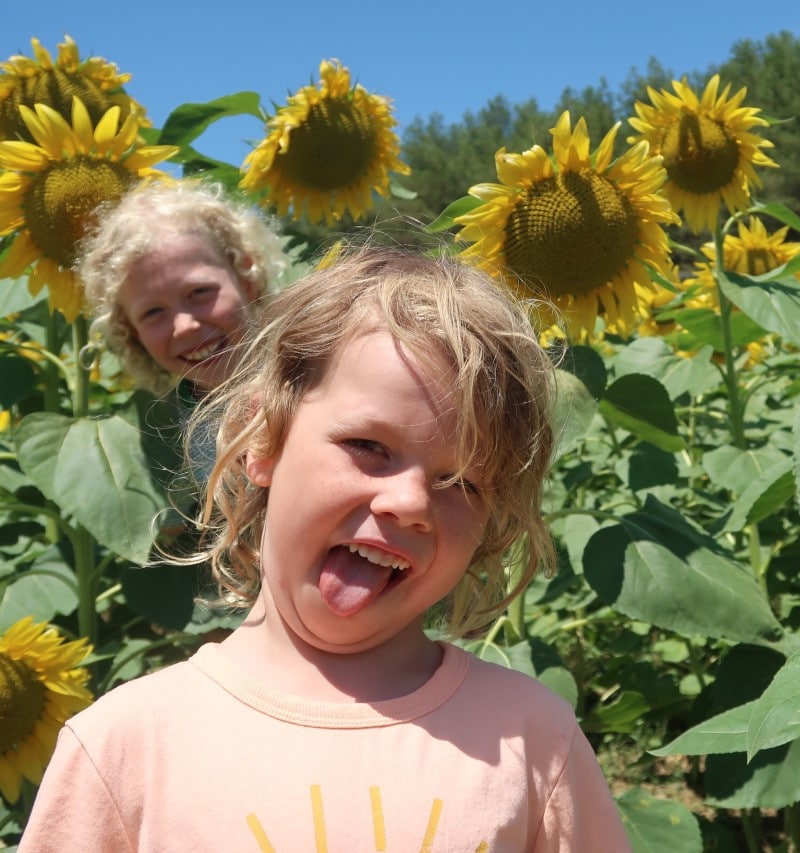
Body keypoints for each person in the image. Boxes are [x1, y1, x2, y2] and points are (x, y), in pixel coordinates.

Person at [21, 248, 631, 851]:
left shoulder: (532, 738)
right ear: (261, 437)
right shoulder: (126, 744)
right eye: (368, 446)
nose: (411, 502)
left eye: (463, 483)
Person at [78, 178, 288, 484]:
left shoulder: (310, 377)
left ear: (246, 278)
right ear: (133, 332)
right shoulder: (161, 436)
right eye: (153, 313)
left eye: (200, 292)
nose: (184, 325)